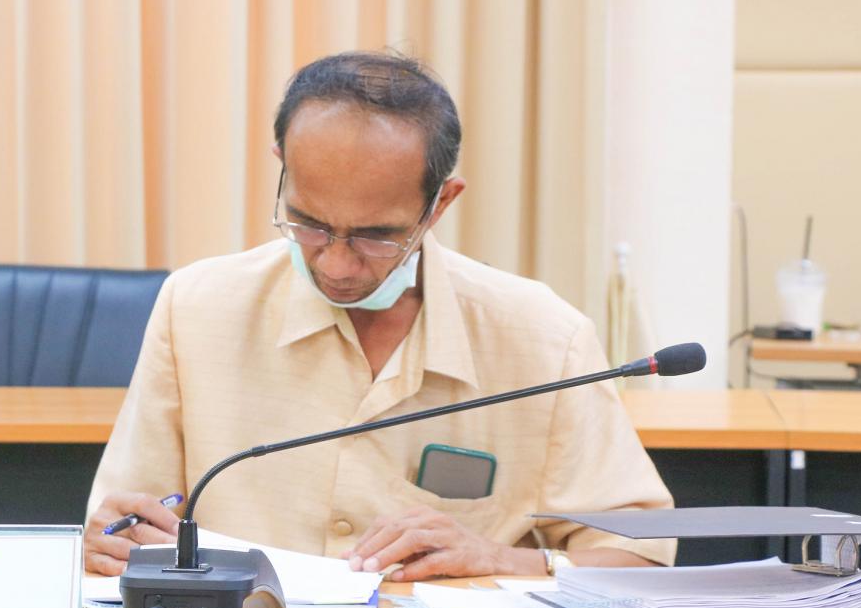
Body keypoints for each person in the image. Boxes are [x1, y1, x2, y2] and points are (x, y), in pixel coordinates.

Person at [84, 51, 675, 579]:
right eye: (309, 224)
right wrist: (113, 541)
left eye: (375, 236)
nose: (337, 264)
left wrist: (502, 558)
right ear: (283, 166)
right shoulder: (196, 307)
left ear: (440, 203)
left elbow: (640, 555)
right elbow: (122, 524)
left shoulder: (544, 337)